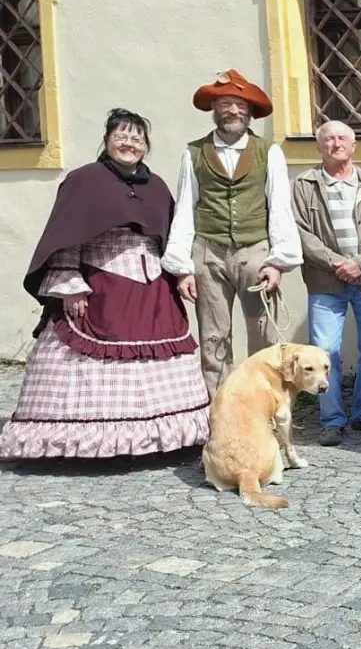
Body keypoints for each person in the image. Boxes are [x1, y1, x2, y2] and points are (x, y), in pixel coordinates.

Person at [0, 110, 210, 460]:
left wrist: (179, 273)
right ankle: (88, 442)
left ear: (146, 146)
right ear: (107, 139)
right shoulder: (84, 181)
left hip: (152, 286)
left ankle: (163, 438)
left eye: (137, 138)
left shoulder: (156, 185)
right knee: (88, 358)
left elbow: (169, 238)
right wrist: (70, 284)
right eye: (122, 136)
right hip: (100, 284)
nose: (129, 143)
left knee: (161, 352)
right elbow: (68, 236)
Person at [162, 69, 302, 396]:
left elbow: (279, 206)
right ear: (215, 109)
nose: (233, 111)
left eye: (240, 105)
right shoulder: (193, 153)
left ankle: (265, 403)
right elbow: (184, 208)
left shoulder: (269, 151)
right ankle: (221, 408)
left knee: (263, 335)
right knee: (213, 336)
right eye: (225, 103)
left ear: (250, 112)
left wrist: (278, 261)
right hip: (208, 252)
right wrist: (183, 267)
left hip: (256, 252)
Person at [291, 121, 361, 446]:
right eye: (328, 139)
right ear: (319, 147)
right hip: (325, 281)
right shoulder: (304, 185)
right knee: (326, 352)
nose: (336, 144)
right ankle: (332, 420)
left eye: (342, 138)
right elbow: (300, 232)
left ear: (354, 146)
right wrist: (338, 263)